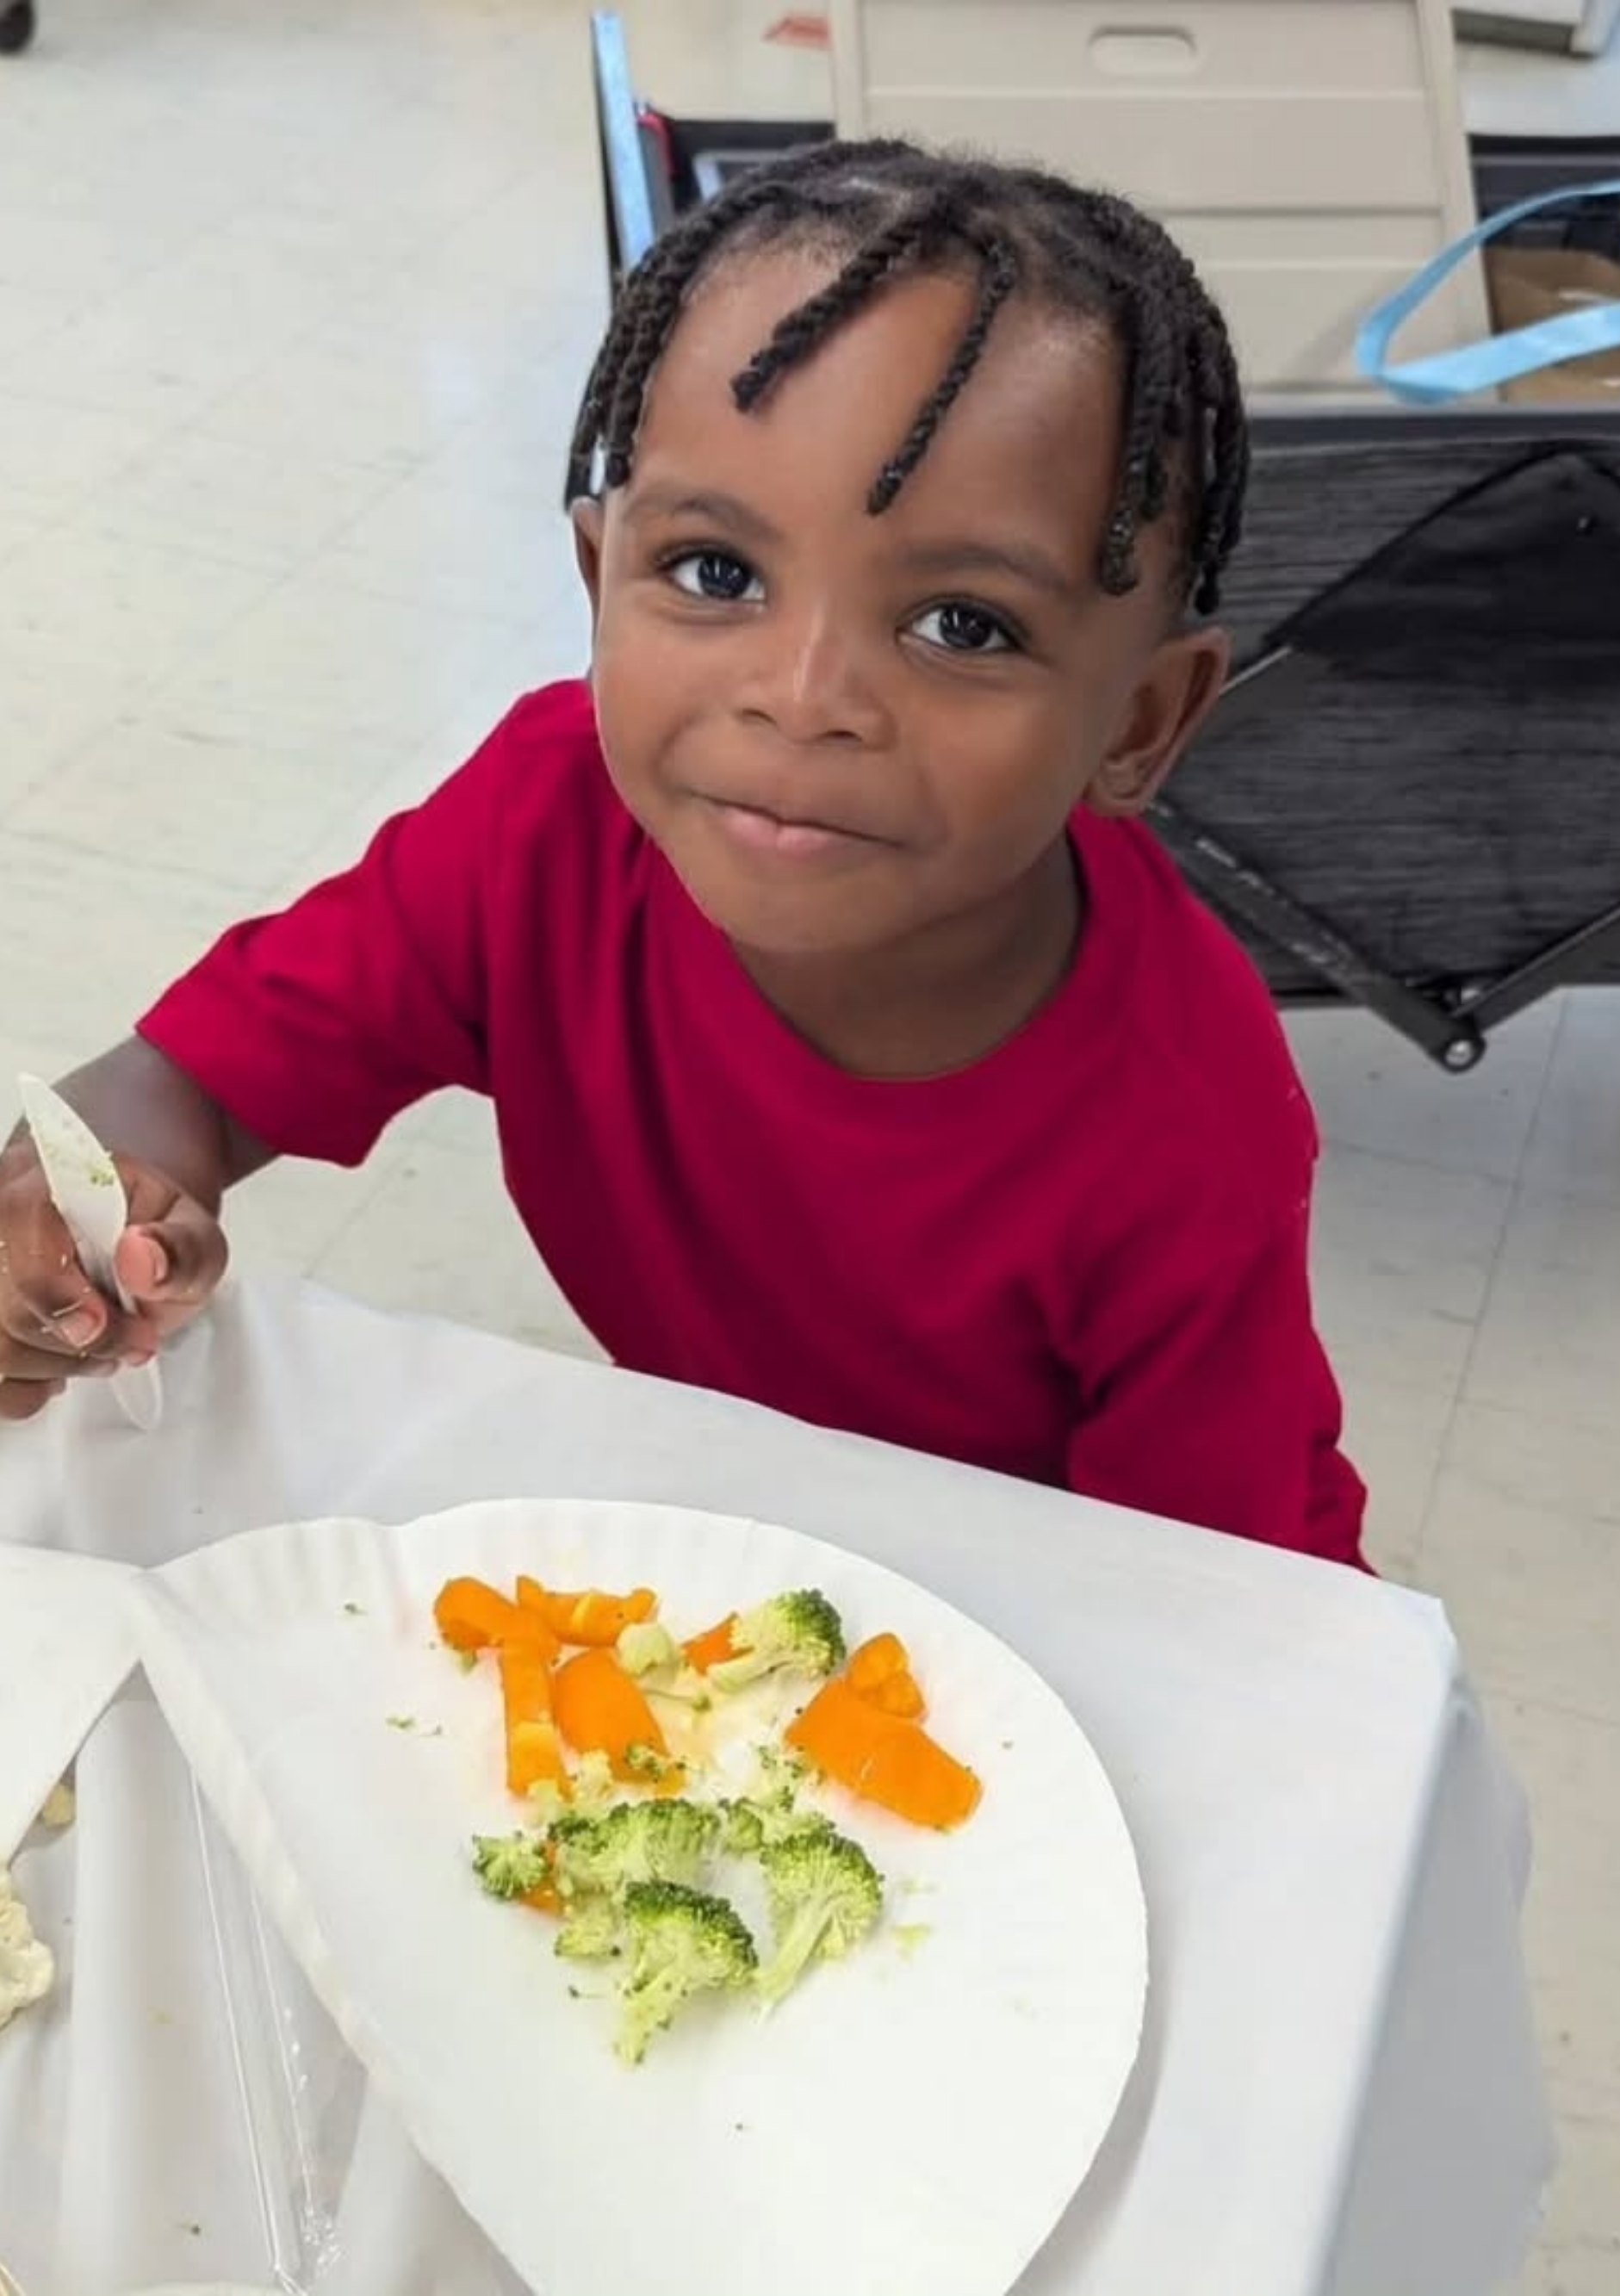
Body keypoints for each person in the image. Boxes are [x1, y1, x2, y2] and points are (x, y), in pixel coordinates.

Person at [0, 139, 1368, 1566]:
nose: (804, 695)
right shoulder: (547, 824)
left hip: (1081, 1594)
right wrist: (73, 1229)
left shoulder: (1184, 1110)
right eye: (717, 573)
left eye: (964, 623)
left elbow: (1215, 1613)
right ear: (600, 580)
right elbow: (180, 1084)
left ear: (1142, 721)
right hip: (745, 1522)